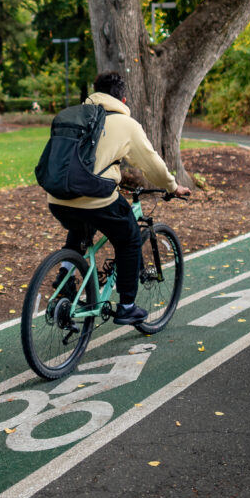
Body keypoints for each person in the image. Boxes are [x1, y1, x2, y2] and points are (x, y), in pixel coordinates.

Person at [47, 71, 192, 325]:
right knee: (129, 239)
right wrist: (172, 186)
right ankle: (126, 306)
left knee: (81, 228)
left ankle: (64, 276)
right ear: (123, 99)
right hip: (94, 197)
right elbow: (152, 164)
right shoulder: (126, 124)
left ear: (95, 92)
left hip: (58, 197)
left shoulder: (75, 116)